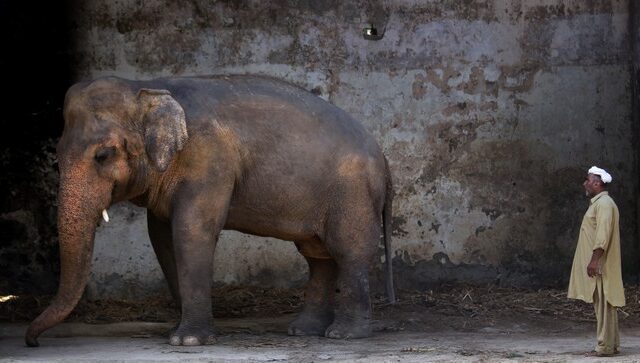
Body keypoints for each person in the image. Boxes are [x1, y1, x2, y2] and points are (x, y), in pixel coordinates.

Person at [568, 166, 625, 357]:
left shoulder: (605, 204)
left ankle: (605, 347)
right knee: (604, 305)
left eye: (587, 179)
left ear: (597, 182)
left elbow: (602, 235)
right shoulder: (600, 203)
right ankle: (611, 344)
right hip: (600, 263)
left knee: (604, 305)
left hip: (601, 264)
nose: (584, 183)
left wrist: (594, 260)